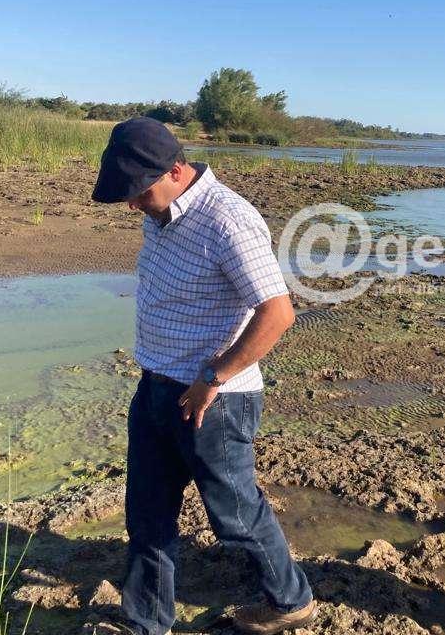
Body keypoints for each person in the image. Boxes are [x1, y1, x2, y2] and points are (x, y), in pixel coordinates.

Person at [92, 117, 317, 635]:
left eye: (140, 192)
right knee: (147, 513)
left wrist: (212, 377)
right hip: (155, 385)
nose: (133, 205)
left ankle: (291, 601)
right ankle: (145, 623)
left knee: (234, 516)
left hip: (214, 400)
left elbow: (278, 312)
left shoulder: (228, 220)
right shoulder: (160, 213)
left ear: (176, 171)